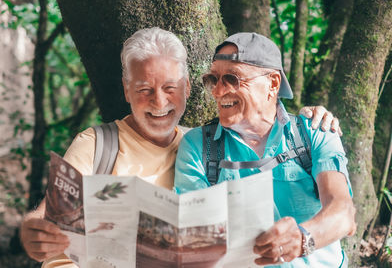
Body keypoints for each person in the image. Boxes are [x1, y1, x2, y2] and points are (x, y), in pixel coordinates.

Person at [20, 27, 343, 267]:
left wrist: (304, 238)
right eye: (144, 89)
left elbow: (342, 211)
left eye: (170, 88)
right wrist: (34, 229)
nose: (158, 102)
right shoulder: (101, 143)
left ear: (187, 88)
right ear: (127, 90)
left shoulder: (206, 144)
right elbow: (50, 212)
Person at [174, 32, 356, 267]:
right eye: (213, 80)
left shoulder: (313, 133)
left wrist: (302, 239)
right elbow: (193, 237)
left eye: (232, 79)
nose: (218, 92)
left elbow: (343, 212)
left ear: (272, 83)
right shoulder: (199, 146)